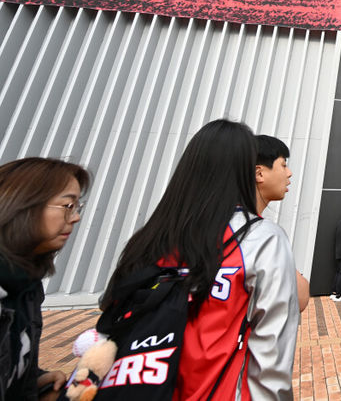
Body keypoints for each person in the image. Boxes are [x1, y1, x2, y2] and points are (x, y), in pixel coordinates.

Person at [104, 119, 299, 400]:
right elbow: (272, 353)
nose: (289, 173)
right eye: (283, 164)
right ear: (249, 171)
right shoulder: (262, 239)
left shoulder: (150, 239)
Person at [0, 158, 90, 401]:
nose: (75, 218)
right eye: (68, 206)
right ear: (22, 206)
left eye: (77, 207)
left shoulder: (26, 285)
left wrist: (32, 382)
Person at [255, 135, 309, 312]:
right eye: (283, 165)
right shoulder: (263, 234)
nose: (289, 173)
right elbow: (299, 298)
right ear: (260, 173)